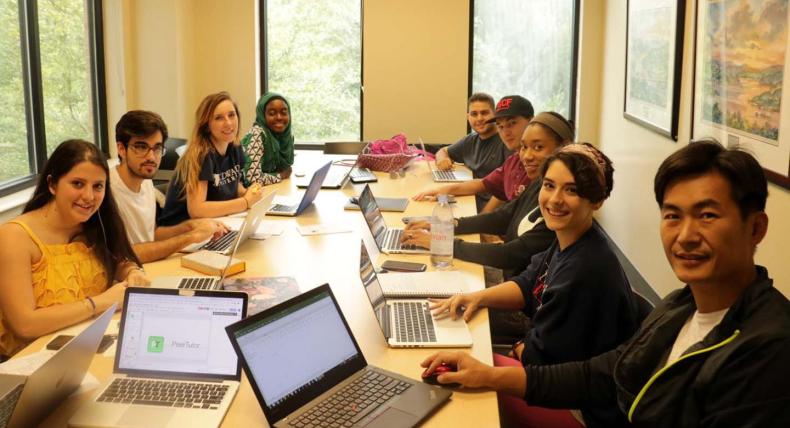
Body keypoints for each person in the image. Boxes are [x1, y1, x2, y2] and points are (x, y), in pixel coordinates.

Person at [421, 140, 790, 427]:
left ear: (755, 227)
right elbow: (605, 371)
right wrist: (489, 373)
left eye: (707, 215)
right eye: (673, 216)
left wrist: (503, 365)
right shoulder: (682, 305)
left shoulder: (768, 349)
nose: (687, 235)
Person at [429, 143, 640, 427]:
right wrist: (477, 297)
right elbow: (529, 282)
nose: (555, 199)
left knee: (458, 385)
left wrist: (518, 347)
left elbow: (542, 361)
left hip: (579, 410)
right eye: (549, 185)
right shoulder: (568, 239)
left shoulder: (587, 268)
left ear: (597, 200)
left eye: (572, 190)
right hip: (551, 380)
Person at [0, 140, 149, 358]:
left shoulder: (92, 224)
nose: (89, 197)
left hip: (84, 347)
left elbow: (117, 260)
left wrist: (132, 271)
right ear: (52, 184)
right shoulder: (14, 236)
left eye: (98, 186)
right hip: (30, 361)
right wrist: (100, 303)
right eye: (78, 184)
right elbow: (24, 325)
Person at [402, 111, 574, 277]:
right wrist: (444, 225)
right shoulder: (540, 184)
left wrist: (442, 243)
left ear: (563, 148)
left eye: (538, 147)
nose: (527, 156)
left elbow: (510, 255)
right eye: (524, 147)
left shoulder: (559, 205)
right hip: (511, 280)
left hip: (518, 290)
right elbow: (502, 217)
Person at [110, 110, 229, 263]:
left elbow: (151, 235)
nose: (151, 157)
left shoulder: (145, 180)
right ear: (121, 149)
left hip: (151, 267)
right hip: (129, 277)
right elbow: (125, 255)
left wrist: (190, 226)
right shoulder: (106, 191)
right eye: (141, 147)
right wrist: (190, 237)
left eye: (157, 148)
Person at [413, 95, 534, 213]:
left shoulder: (527, 158)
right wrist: (442, 189)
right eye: (501, 126)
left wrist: (484, 220)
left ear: (531, 122)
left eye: (512, 123)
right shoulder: (512, 159)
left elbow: (500, 193)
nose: (506, 132)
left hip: (496, 213)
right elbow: (483, 183)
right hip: (479, 204)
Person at [159, 92, 264, 226]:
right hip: (181, 232)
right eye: (219, 118)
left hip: (213, 223)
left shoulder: (234, 147)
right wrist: (245, 202)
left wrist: (248, 193)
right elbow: (197, 210)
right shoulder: (201, 154)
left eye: (231, 115)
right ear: (206, 126)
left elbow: (229, 183)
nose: (228, 123)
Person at [431, 92, 511, 211]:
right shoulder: (470, 140)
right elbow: (442, 151)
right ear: (468, 116)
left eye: (484, 113)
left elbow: (505, 189)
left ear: (495, 114)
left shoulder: (507, 141)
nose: (479, 118)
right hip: (471, 199)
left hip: (493, 210)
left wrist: (484, 217)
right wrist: (443, 159)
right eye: (474, 114)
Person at [242, 92, 295, 186]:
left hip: (269, 190)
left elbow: (286, 168)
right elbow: (252, 179)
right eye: (272, 113)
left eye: (284, 113)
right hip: (247, 195)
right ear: (262, 115)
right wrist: (280, 176)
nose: (279, 117)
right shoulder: (257, 134)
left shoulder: (286, 136)